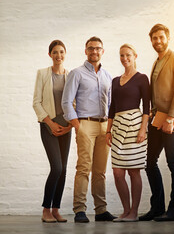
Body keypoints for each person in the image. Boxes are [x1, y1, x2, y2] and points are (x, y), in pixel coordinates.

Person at [61, 36, 116, 223]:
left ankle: (101, 210)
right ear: (86, 51)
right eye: (91, 48)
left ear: (103, 51)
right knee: (84, 168)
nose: (94, 51)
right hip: (85, 124)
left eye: (98, 48)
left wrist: (110, 126)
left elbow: (110, 103)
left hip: (104, 126)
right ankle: (80, 210)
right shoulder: (77, 73)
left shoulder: (108, 76)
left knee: (100, 171)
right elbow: (66, 101)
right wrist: (78, 125)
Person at [139, 24, 174, 222]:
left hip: (172, 119)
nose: (157, 41)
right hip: (157, 119)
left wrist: (171, 117)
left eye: (161, 37)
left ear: (168, 38)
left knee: (173, 161)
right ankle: (157, 208)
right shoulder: (156, 62)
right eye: (154, 38)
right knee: (150, 163)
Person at [106, 44, 150, 222]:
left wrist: (142, 129)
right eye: (122, 55)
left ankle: (134, 212)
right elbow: (112, 107)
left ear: (135, 56)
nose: (125, 58)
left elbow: (146, 107)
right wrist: (108, 130)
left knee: (134, 172)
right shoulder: (115, 80)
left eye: (128, 55)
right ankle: (125, 211)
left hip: (134, 125)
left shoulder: (142, 78)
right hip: (117, 126)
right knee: (118, 172)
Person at [33, 40, 72, 223]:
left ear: (65, 53)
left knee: (63, 169)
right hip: (48, 126)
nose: (58, 55)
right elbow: (36, 102)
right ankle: (46, 210)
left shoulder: (70, 75)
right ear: (50, 54)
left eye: (61, 52)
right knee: (56, 167)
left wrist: (70, 126)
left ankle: (56, 209)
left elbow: (75, 103)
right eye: (55, 52)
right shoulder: (42, 74)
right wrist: (49, 122)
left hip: (66, 126)